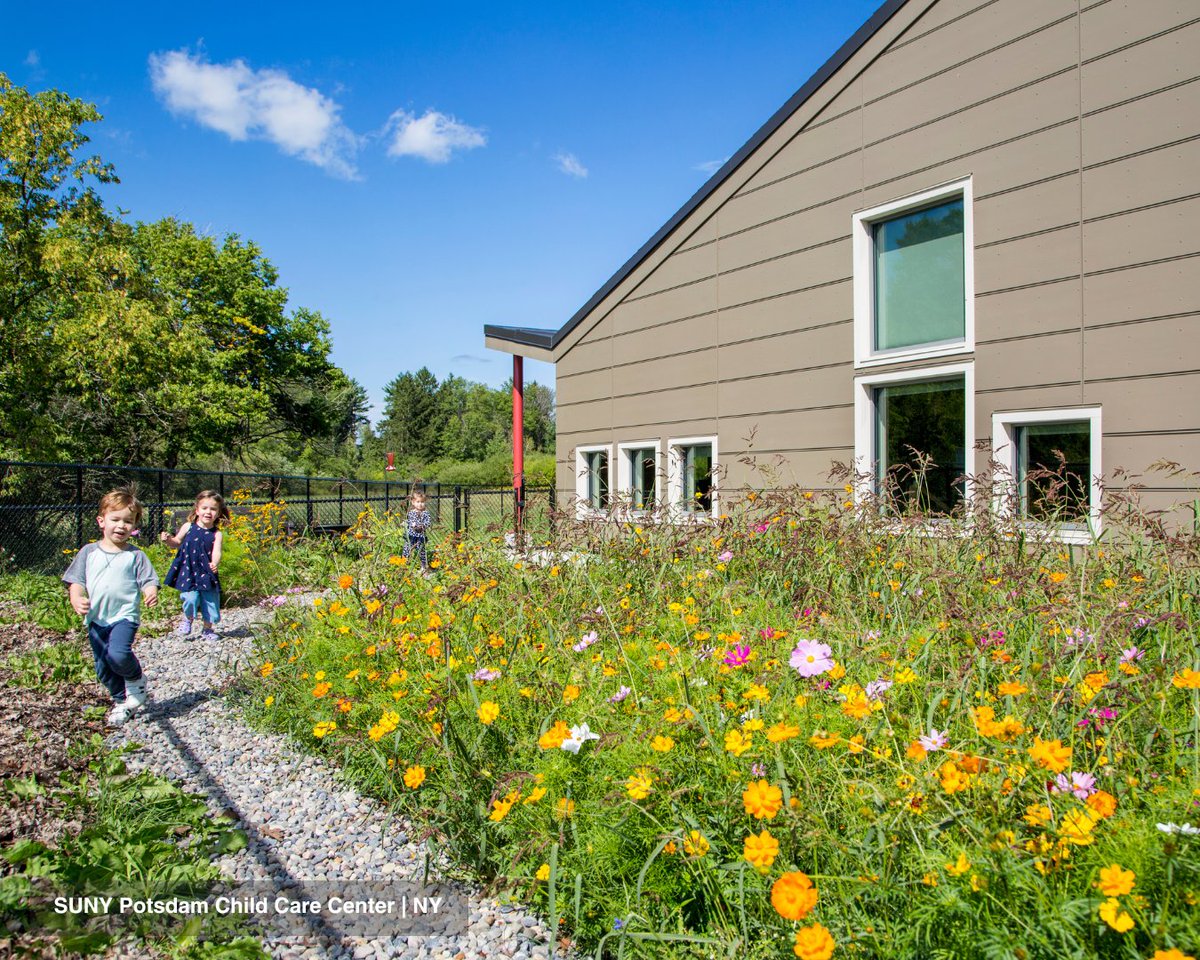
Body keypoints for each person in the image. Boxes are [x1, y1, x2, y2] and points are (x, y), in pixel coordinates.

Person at [62, 488, 159, 728]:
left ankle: (136, 680)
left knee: (118, 653)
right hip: (96, 619)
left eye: (128, 521)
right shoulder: (88, 552)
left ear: (134, 525)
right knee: (103, 667)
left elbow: (148, 579)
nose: (121, 526)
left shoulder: (135, 555)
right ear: (101, 521)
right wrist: (76, 598)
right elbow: (76, 580)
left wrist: (150, 592)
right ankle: (121, 702)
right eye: (115, 519)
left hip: (124, 616)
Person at [160, 490, 229, 640]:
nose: (208, 512)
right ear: (197, 510)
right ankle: (188, 618)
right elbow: (176, 543)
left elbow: (217, 551)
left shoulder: (217, 533)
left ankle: (207, 629)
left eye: (213, 509)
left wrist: (214, 563)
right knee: (190, 598)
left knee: (210, 601)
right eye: (204, 508)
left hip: (206, 570)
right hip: (188, 570)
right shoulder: (188, 527)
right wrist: (168, 540)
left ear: (218, 513)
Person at [403, 490, 433, 574]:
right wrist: (408, 524)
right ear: (413, 502)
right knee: (407, 549)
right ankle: (404, 566)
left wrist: (423, 526)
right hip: (411, 536)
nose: (420, 504)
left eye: (422, 502)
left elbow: (428, 522)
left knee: (422, 551)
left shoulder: (426, 513)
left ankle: (424, 568)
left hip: (420, 536)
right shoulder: (411, 513)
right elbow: (410, 521)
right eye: (418, 502)